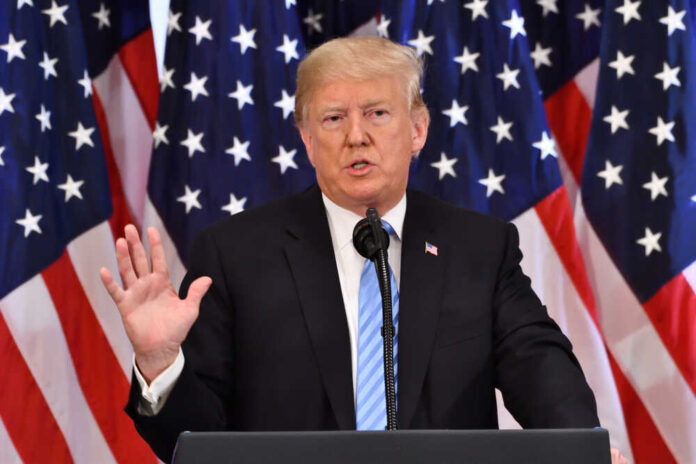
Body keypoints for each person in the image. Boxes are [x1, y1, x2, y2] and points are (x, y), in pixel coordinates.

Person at [100, 37, 627, 464]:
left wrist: (581, 449)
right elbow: (192, 443)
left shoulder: (479, 248)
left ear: (417, 129)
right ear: (306, 139)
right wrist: (159, 360)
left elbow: (542, 373)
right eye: (332, 119)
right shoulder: (236, 254)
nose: (357, 136)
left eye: (377, 113)